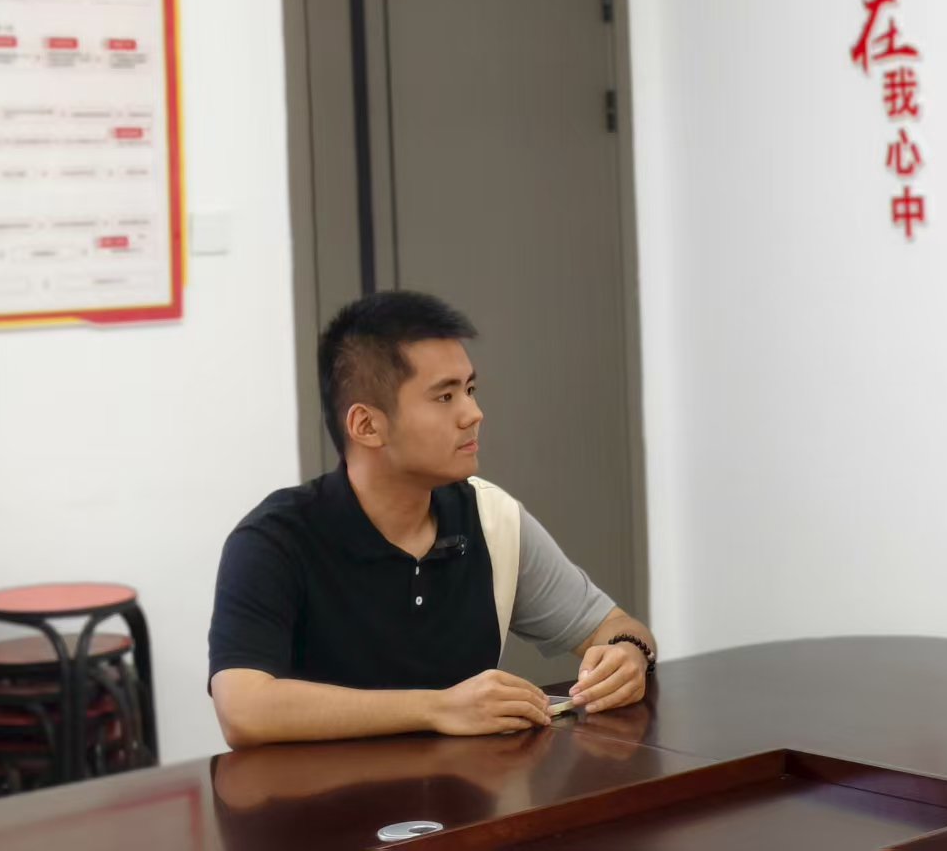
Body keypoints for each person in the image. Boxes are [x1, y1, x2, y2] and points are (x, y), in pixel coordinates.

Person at [208, 290, 656, 747]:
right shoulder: (274, 540)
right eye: (444, 396)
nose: (473, 414)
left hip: (472, 792)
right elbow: (243, 709)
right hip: (322, 794)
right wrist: (438, 708)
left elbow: (615, 626)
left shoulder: (493, 519)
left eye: (470, 390)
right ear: (366, 425)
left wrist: (628, 654)